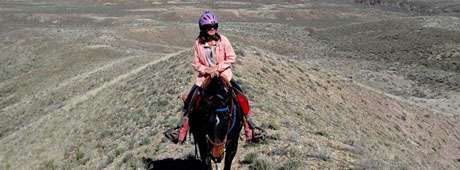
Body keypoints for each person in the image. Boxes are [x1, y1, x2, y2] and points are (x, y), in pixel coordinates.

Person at [165, 10, 263, 144]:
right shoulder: (198, 43)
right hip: (204, 78)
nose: (212, 29)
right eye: (208, 27)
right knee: (189, 100)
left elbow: (231, 57)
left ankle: (250, 127)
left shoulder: (223, 40)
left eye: (214, 26)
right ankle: (181, 129)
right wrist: (207, 70)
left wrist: (218, 68)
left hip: (223, 75)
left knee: (240, 96)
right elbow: (196, 63)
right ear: (202, 28)